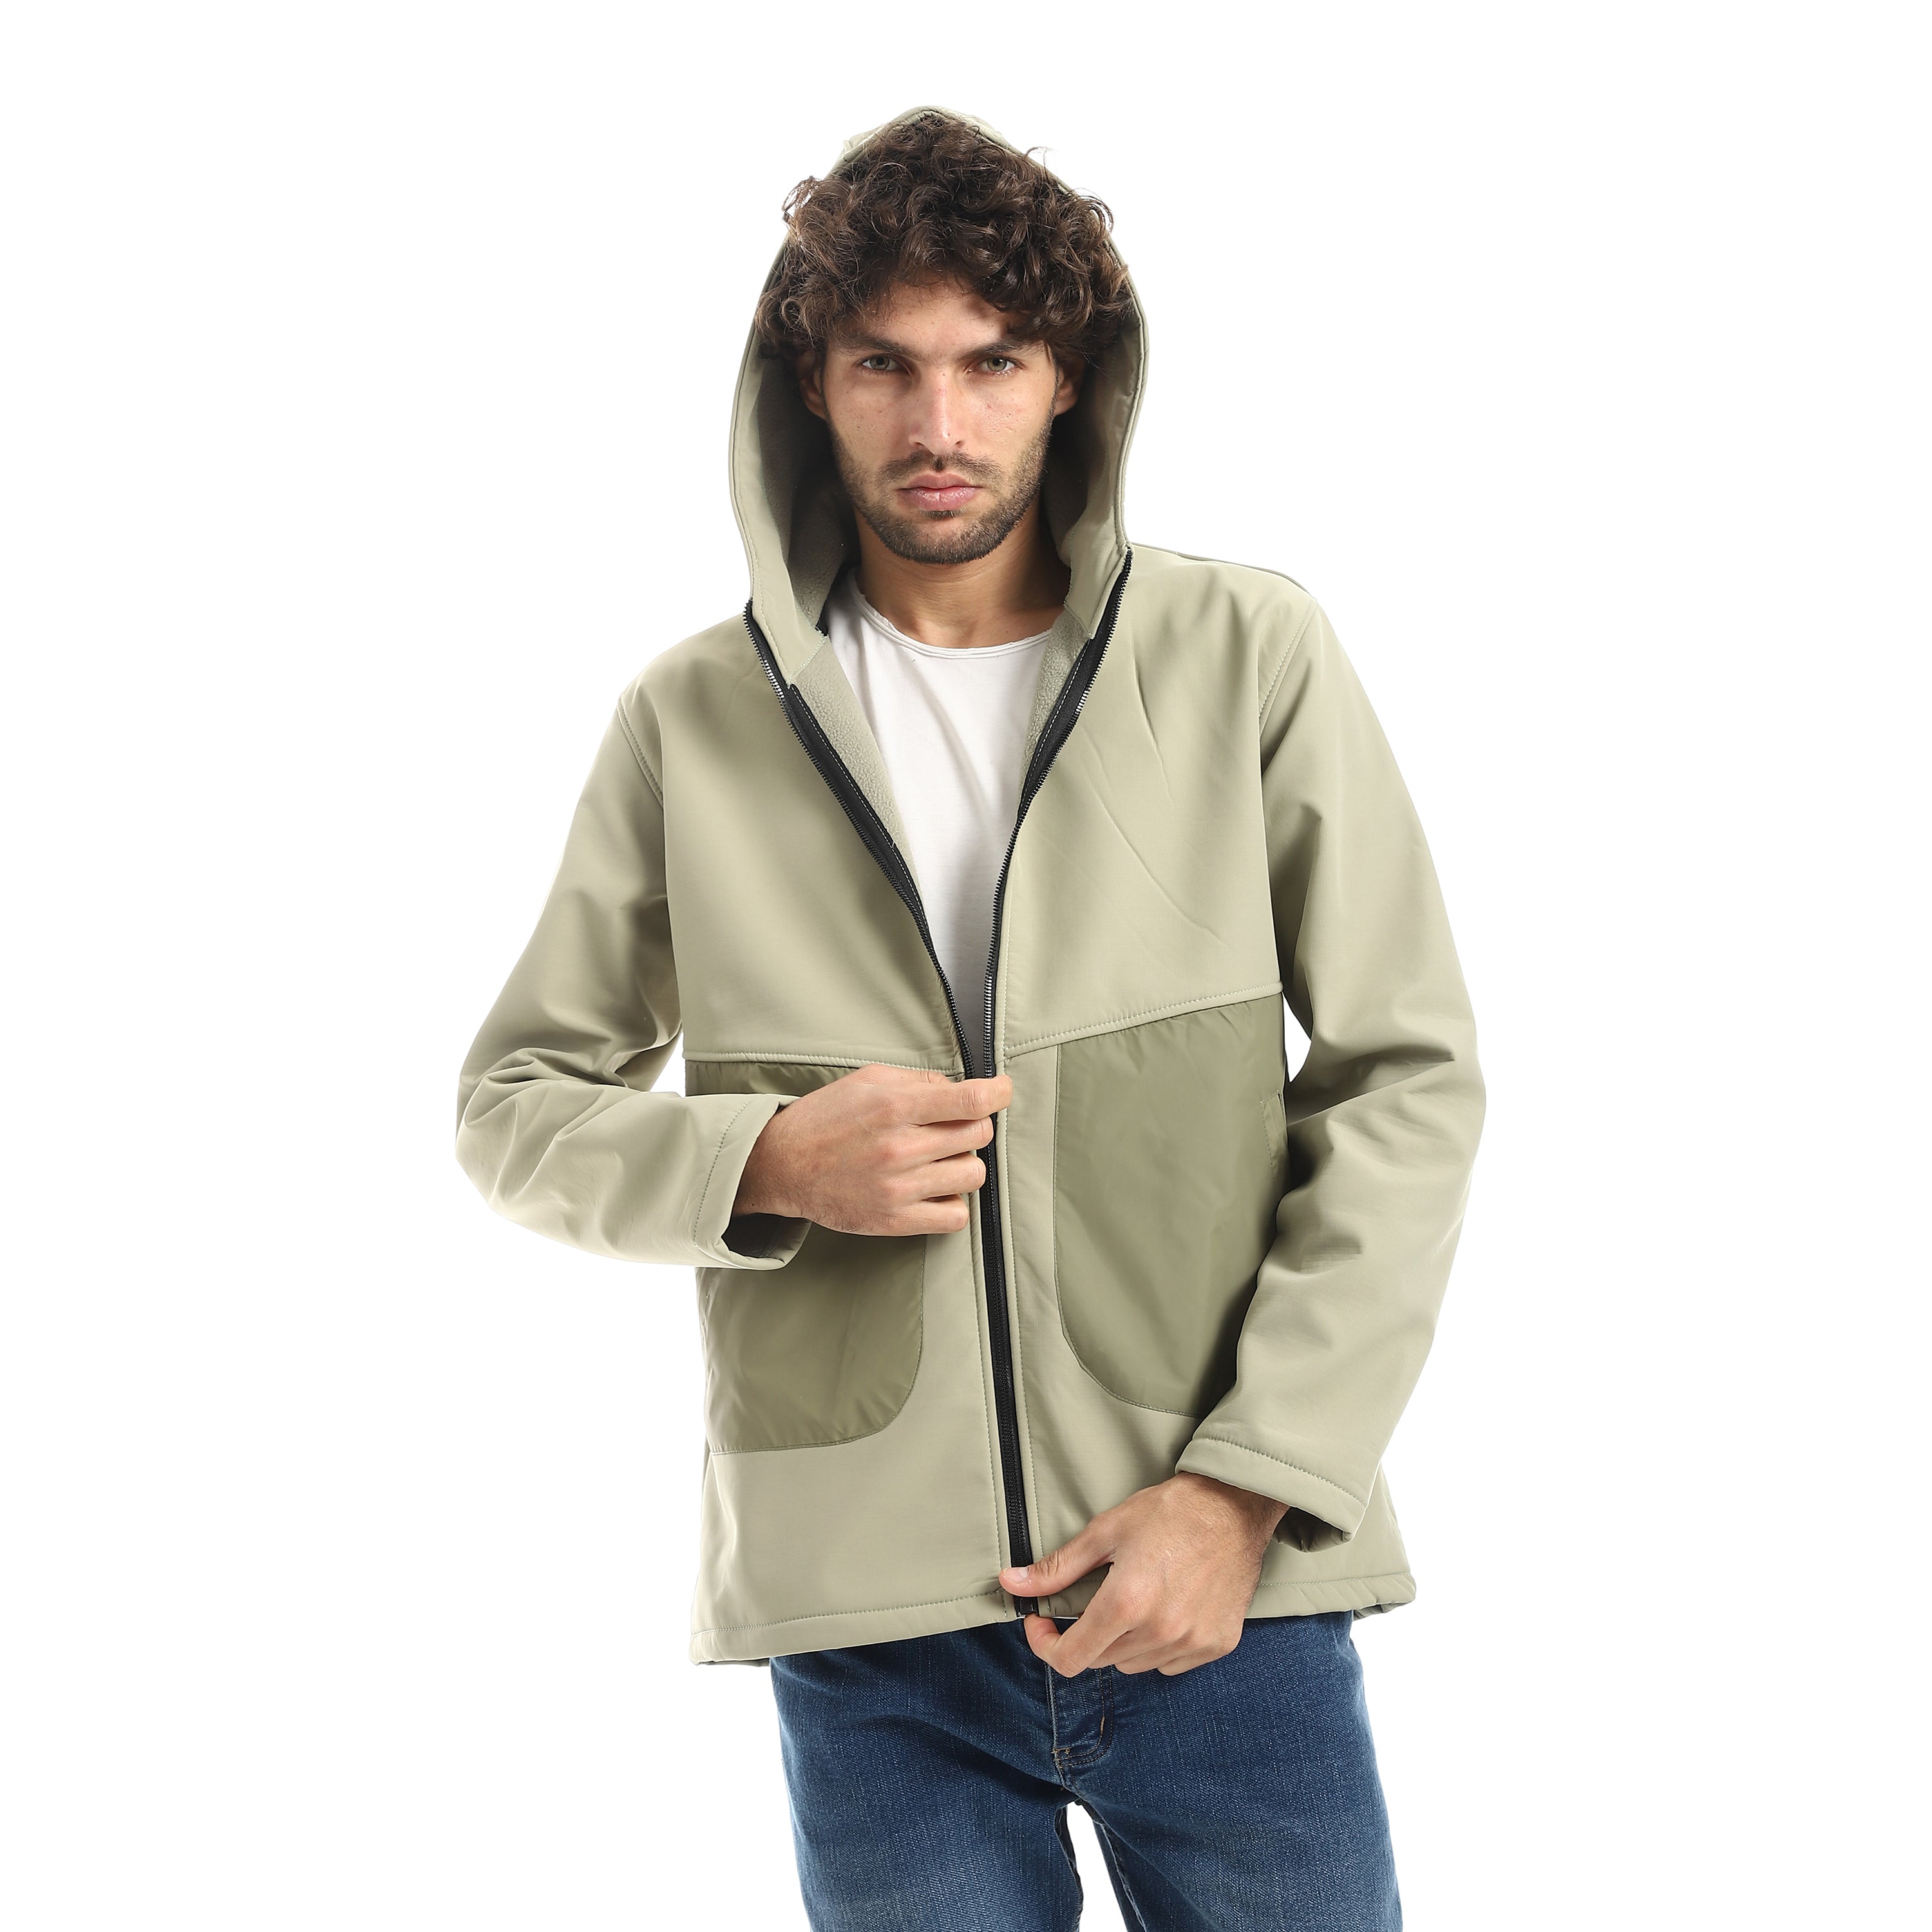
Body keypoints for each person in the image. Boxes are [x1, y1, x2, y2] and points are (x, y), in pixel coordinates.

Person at [455, 104, 1484, 1932]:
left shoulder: (1246, 655)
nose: (939, 423)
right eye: (887, 364)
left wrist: (1245, 1494)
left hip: (1214, 1587)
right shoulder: (692, 720)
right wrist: (760, 1159)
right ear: (813, 382)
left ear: (1070, 380)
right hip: (875, 1639)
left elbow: (1407, 1079)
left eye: (992, 361)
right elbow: (515, 1105)